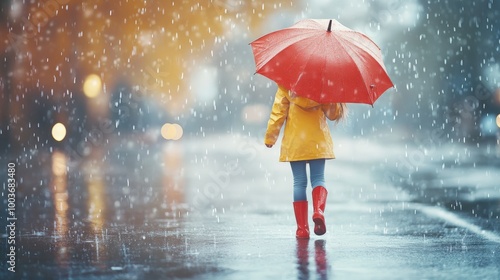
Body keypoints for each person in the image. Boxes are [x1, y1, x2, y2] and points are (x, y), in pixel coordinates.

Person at [264, 85, 347, 239]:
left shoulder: (286, 83)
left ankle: (302, 229)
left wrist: (270, 137)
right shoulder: (323, 84)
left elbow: (278, 113)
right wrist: (333, 95)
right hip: (317, 141)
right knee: (318, 179)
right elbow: (333, 114)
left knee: (299, 182)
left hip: (296, 142)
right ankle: (318, 211)